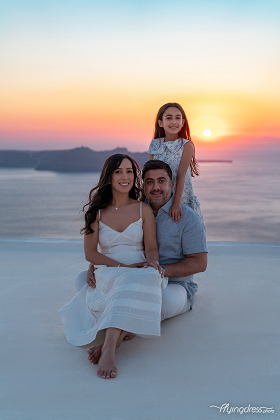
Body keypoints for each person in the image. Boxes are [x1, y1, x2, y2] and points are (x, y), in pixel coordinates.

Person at [85, 159, 208, 365]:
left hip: (176, 285)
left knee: (157, 304)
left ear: (171, 184)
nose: (156, 187)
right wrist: (97, 265)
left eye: (161, 181)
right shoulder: (139, 208)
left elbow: (200, 263)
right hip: (135, 274)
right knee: (84, 282)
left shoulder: (188, 218)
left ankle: (111, 343)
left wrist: (157, 270)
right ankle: (120, 326)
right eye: (149, 182)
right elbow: (120, 245)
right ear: (142, 185)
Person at [59, 154, 166, 380]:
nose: (125, 176)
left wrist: (152, 262)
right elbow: (90, 253)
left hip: (139, 267)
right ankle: (120, 334)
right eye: (118, 171)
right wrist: (122, 265)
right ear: (108, 177)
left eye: (129, 171)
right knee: (93, 280)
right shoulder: (95, 213)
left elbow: (152, 248)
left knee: (147, 276)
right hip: (110, 267)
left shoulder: (143, 209)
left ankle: (109, 347)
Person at [148, 102, 203, 223]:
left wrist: (177, 204)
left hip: (180, 200)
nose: (174, 121)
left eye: (177, 118)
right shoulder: (155, 144)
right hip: (158, 199)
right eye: (169, 118)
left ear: (183, 122)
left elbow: (181, 175)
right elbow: (149, 175)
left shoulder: (186, 145)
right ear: (160, 123)